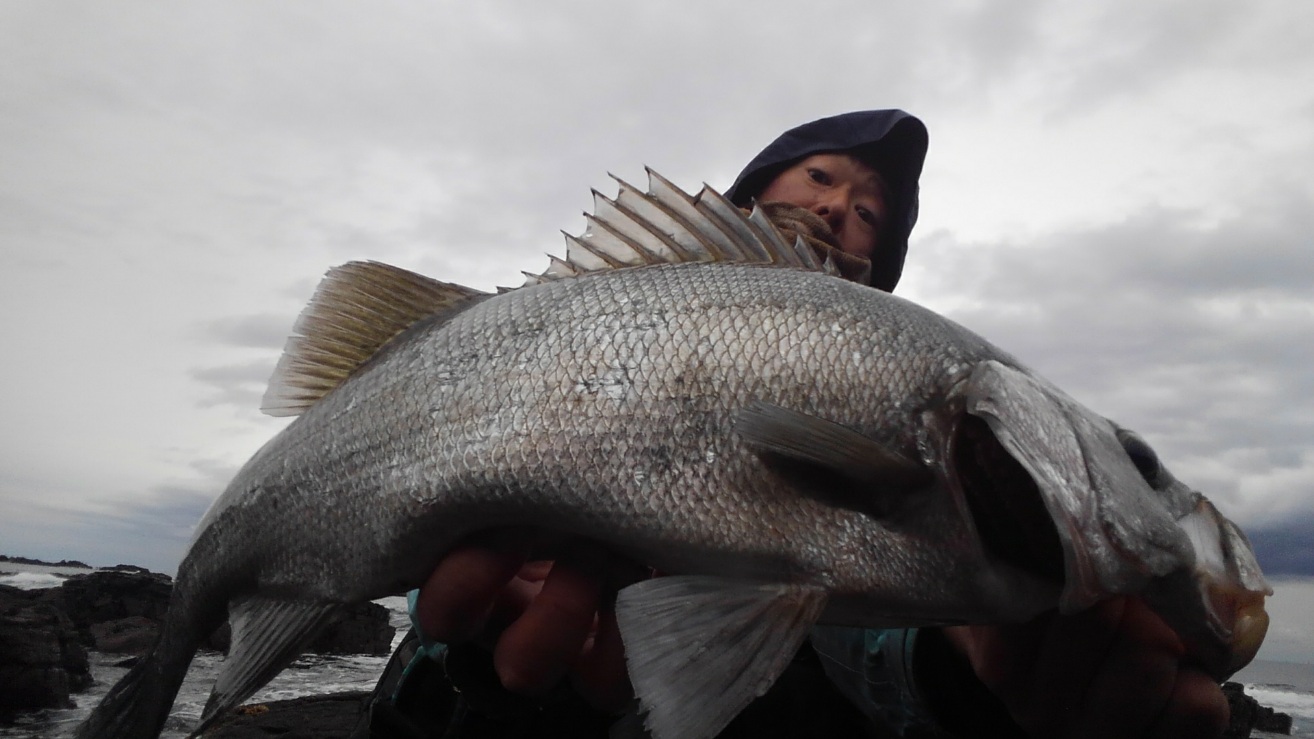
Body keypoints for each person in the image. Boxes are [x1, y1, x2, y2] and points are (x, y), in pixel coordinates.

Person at [357, 111, 1231, 738]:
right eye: (821, 176)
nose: (837, 208)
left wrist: (963, 676)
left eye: (868, 213)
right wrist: (464, 663)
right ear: (745, 197)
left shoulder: (922, 422)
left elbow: (863, 637)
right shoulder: (576, 325)